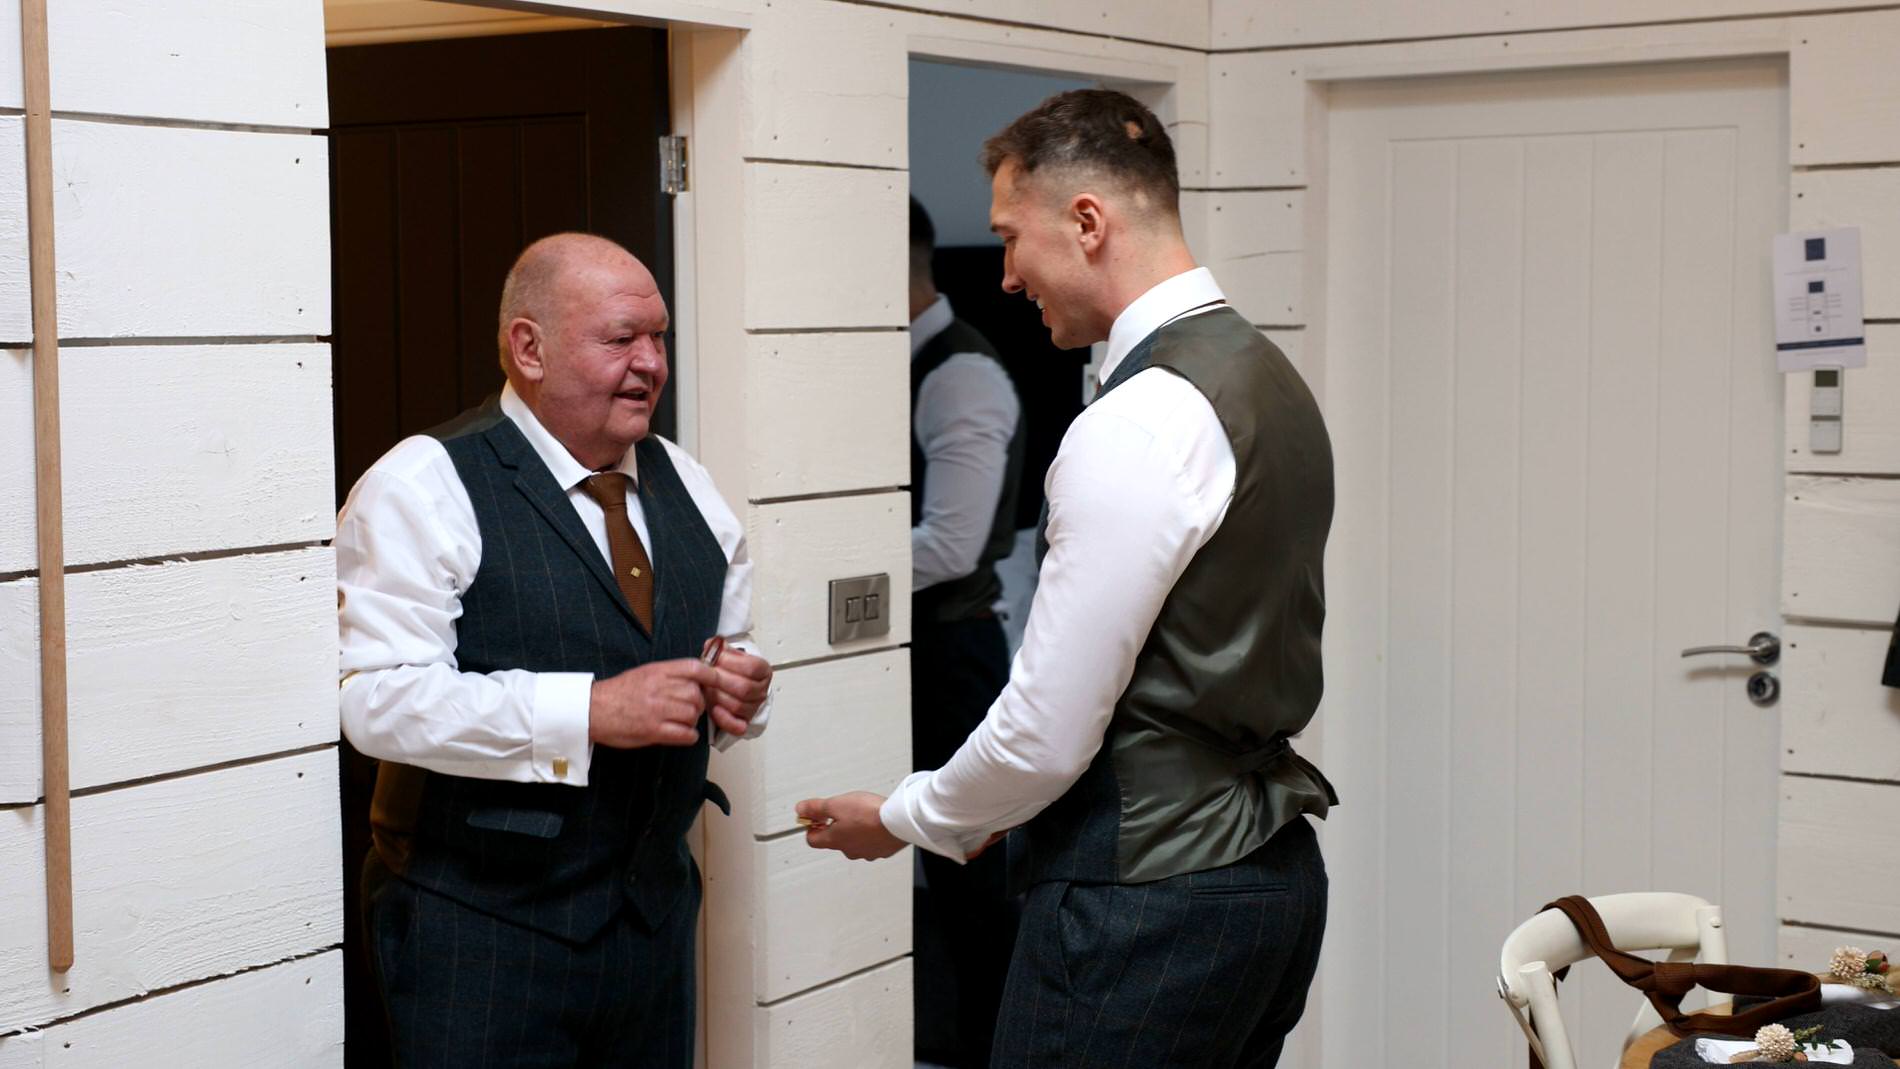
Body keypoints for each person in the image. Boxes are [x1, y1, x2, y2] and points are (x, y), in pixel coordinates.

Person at [798, 89, 1337, 1068]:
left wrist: (901, 815)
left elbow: (1045, 732)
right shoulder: (1265, 376)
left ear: (1086, 222)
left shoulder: (1139, 418)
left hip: (1147, 901)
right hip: (1266, 876)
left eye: (1012, 237)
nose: (1004, 275)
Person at [337, 232, 773, 1068]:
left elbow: (731, 649)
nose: (651, 363)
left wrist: (739, 696)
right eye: (621, 339)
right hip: (479, 936)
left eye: (660, 338)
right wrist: (589, 710)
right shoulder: (423, 484)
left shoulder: (692, 485)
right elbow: (376, 699)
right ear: (527, 348)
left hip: (652, 928)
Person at [905, 195, 1026, 1068]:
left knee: (972, 880)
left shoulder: (961, 373)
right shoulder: (906, 366)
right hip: (916, 651)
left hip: (953, 651)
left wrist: (831, 576)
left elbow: (949, 543)